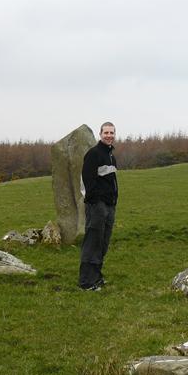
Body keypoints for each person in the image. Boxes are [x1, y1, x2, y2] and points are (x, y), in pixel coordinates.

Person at [78, 122, 118, 291]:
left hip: (110, 205)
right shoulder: (93, 154)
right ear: (100, 134)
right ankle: (86, 282)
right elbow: (87, 181)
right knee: (93, 242)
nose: (109, 135)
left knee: (103, 243)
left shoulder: (111, 156)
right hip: (97, 206)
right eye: (106, 132)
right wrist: (96, 202)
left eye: (111, 132)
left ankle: (97, 277)